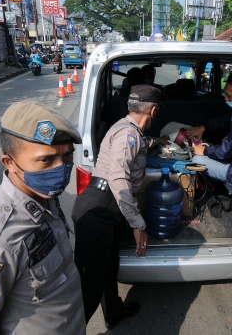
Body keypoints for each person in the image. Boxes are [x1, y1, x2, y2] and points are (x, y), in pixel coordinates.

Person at [0, 102, 86, 335]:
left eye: (67, 156)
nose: (61, 168)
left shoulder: (44, 197)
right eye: (46, 160)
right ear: (9, 163)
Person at [72, 85, 169, 330]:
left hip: (101, 206)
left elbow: (142, 143)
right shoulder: (129, 135)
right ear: (154, 111)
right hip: (100, 209)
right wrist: (138, 224)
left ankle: (113, 313)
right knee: (89, 288)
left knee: (108, 268)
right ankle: (70, 328)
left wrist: (159, 141)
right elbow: (118, 178)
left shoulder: (126, 128)